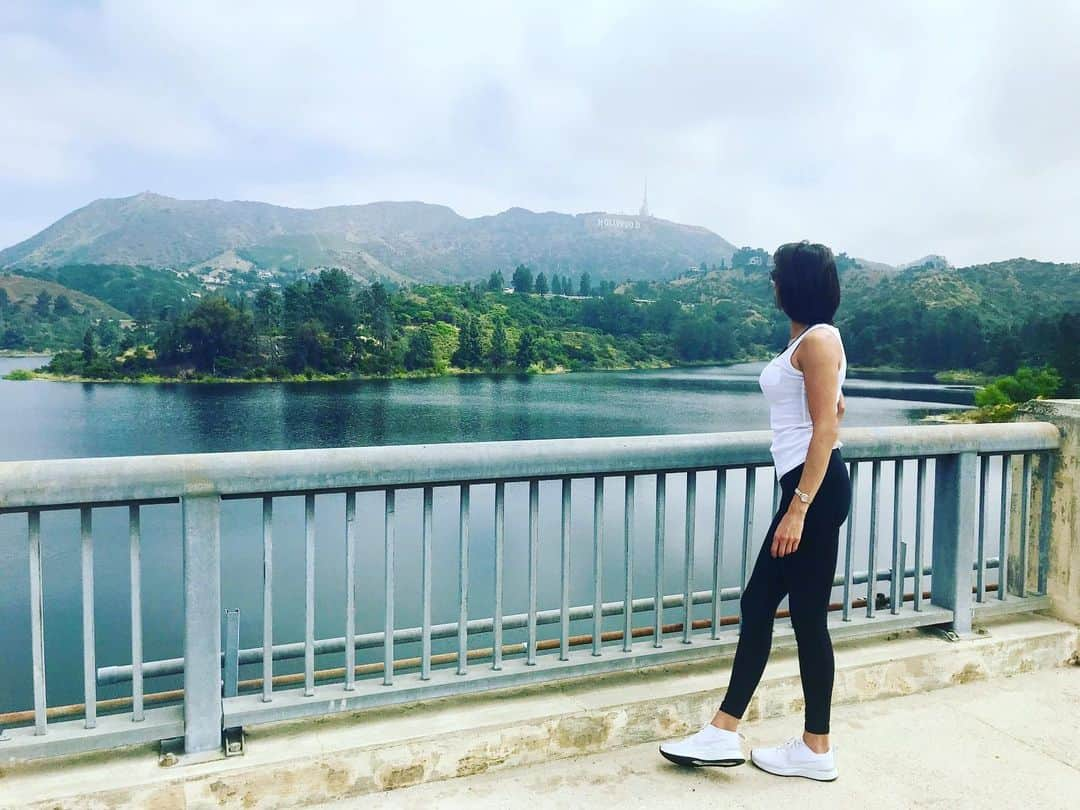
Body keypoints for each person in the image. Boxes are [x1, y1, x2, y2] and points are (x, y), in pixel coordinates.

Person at [659, 241, 852, 782]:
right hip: (810, 486)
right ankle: (814, 747)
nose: (770, 282)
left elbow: (827, 429)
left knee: (759, 601)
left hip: (811, 491)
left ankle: (724, 731)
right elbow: (830, 410)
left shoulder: (817, 339)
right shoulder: (810, 338)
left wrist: (798, 510)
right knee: (807, 617)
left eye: (776, 275)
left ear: (795, 283)